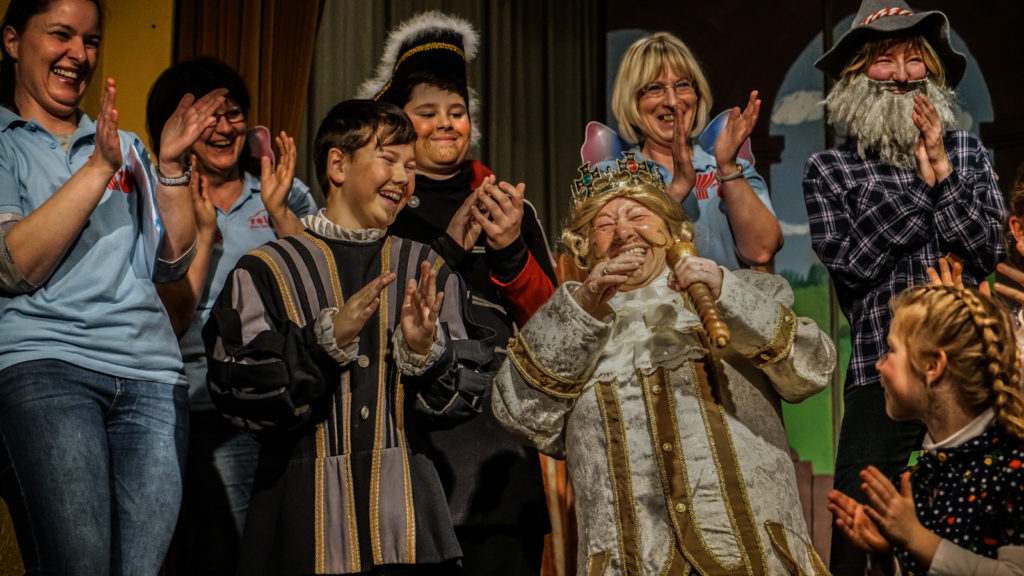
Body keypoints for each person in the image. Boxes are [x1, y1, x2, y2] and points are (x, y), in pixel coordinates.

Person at [493, 152, 836, 575]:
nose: (623, 232)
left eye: (638, 215)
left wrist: (728, 294)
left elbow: (812, 368)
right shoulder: (571, 329)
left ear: (670, 229)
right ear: (586, 246)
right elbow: (520, 413)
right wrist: (584, 305)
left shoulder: (742, 291)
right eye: (604, 224)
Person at [203, 99, 496, 575]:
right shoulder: (266, 270)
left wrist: (427, 353)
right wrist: (320, 344)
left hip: (406, 526)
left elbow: (462, 398)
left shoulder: (427, 269)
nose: (402, 177)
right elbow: (240, 390)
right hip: (301, 520)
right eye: (389, 159)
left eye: (410, 166)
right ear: (338, 165)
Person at [0, 0, 225, 573]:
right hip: (48, 367)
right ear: (12, 41)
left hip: (151, 376)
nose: (79, 54)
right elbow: (14, 265)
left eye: (91, 40)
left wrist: (169, 165)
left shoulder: (128, 145)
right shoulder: (6, 141)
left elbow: (170, 263)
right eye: (61, 34)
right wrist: (99, 168)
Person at [801, 1, 1007, 573]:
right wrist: (928, 185)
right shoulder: (830, 169)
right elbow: (852, 263)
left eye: (914, 60)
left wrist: (944, 166)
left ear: (932, 72)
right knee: (857, 516)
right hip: (882, 369)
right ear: (855, 75)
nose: (900, 75)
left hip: (970, 365)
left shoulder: (966, 152)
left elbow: (987, 248)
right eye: (883, 61)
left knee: (978, 514)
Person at [356, 12, 553, 573]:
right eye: (428, 113)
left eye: (457, 111)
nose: (446, 123)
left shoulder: (511, 209)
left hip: (500, 461)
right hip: (409, 457)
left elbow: (553, 331)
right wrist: (446, 249)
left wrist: (510, 249)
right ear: (399, 124)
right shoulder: (378, 213)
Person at [145, 57, 318, 574]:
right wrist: (202, 233)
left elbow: (320, 290)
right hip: (194, 405)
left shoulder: (282, 189)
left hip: (279, 398)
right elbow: (168, 319)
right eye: (209, 117)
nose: (224, 128)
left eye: (234, 113)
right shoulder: (154, 199)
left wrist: (280, 211)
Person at [827, 285, 1024, 575]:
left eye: (892, 350)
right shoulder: (917, 480)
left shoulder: (1012, 470)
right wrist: (883, 559)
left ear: (933, 365)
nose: (880, 365)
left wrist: (913, 537)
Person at [599, 31, 782, 270]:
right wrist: (677, 190)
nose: (672, 101)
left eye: (682, 85)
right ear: (632, 101)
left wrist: (727, 168)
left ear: (697, 94)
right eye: (654, 88)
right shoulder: (610, 177)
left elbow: (762, 251)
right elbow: (608, 260)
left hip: (724, 295)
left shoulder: (733, 170)